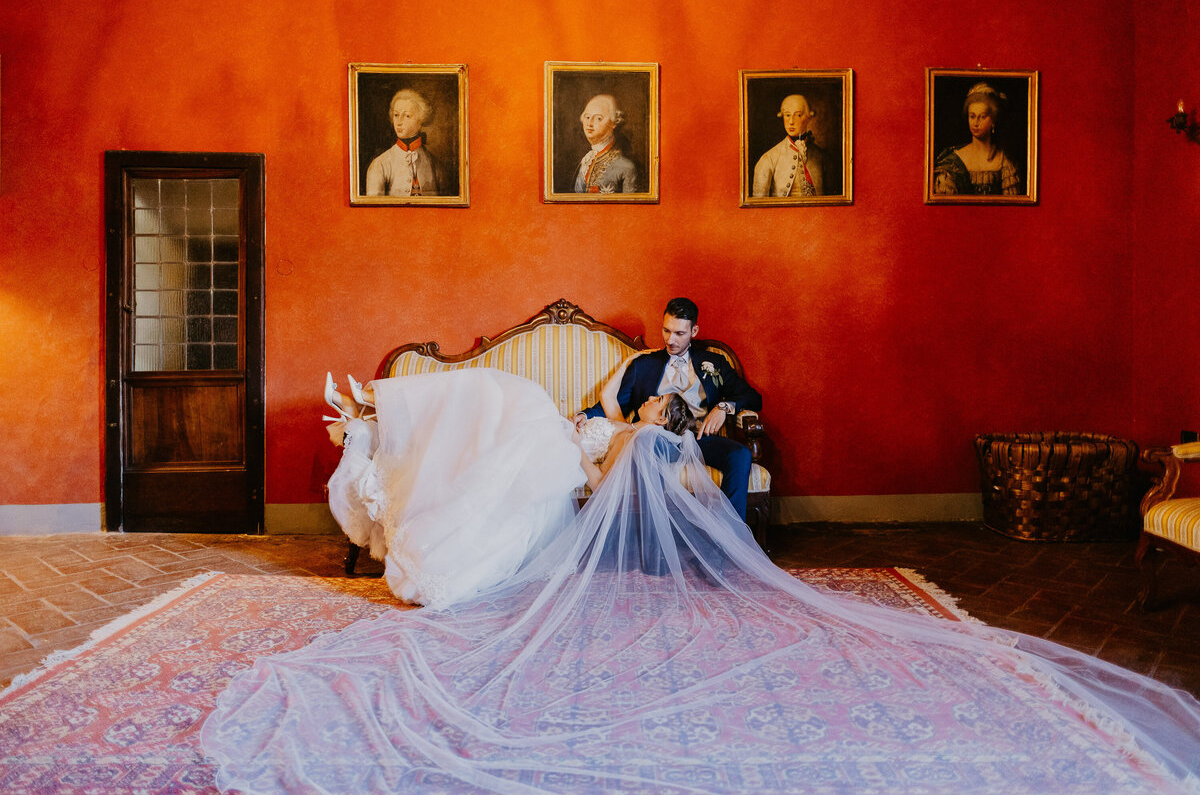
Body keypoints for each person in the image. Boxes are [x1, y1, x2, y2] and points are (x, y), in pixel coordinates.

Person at [203, 372, 1200, 793]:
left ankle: (387, 413)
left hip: (560, 443)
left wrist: (609, 432)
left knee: (501, 413)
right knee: (494, 397)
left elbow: (608, 441)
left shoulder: (637, 433)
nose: (653, 409)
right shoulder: (625, 405)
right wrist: (603, 422)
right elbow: (605, 421)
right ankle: (387, 408)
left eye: (657, 412)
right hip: (560, 432)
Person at [321, 360, 695, 608]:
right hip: (556, 434)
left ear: (662, 421)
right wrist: (635, 358)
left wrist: (576, 442)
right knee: (484, 394)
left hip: (556, 448)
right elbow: (609, 395)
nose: (649, 397)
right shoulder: (625, 423)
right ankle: (368, 405)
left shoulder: (633, 441)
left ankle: (368, 402)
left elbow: (598, 484)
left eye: (658, 400)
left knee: (491, 388)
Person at [578, 297, 761, 521]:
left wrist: (724, 407)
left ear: (694, 331)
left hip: (698, 439)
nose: (670, 340)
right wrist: (584, 415)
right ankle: (654, 533)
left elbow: (752, 397)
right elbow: (615, 402)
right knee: (646, 443)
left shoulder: (715, 362)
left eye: (679, 333)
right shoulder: (644, 364)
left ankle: (730, 533)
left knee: (740, 454)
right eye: (666, 330)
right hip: (655, 440)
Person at [933, 82, 1021, 196]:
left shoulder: (1005, 161)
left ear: (993, 120)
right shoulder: (952, 161)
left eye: (982, 117)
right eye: (972, 116)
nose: (976, 123)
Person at [364, 89, 443, 197]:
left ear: (421, 120)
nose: (399, 122)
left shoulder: (435, 165)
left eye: (407, 116)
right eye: (396, 115)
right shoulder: (380, 164)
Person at [752, 93, 825, 197]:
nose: (791, 121)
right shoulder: (768, 159)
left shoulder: (821, 158)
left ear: (809, 117)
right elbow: (759, 203)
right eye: (787, 115)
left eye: (798, 115)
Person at [573, 94, 638, 194]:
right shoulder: (587, 160)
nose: (589, 123)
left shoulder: (626, 168)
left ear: (614, 123)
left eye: (598, 118)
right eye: (587, 117)